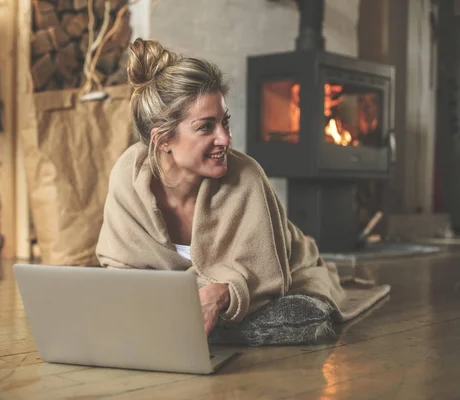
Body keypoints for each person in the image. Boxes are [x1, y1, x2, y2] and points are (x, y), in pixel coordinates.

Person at [95, 38, 348, 345]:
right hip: (182, 299)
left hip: (288, 269)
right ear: (163, 140)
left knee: (301, 314)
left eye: (225, 122)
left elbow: (268, 276)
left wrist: (217, 294)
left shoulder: (247, 177)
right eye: (206, 127)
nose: (225, 139)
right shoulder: (128, 175)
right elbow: (119, 266)